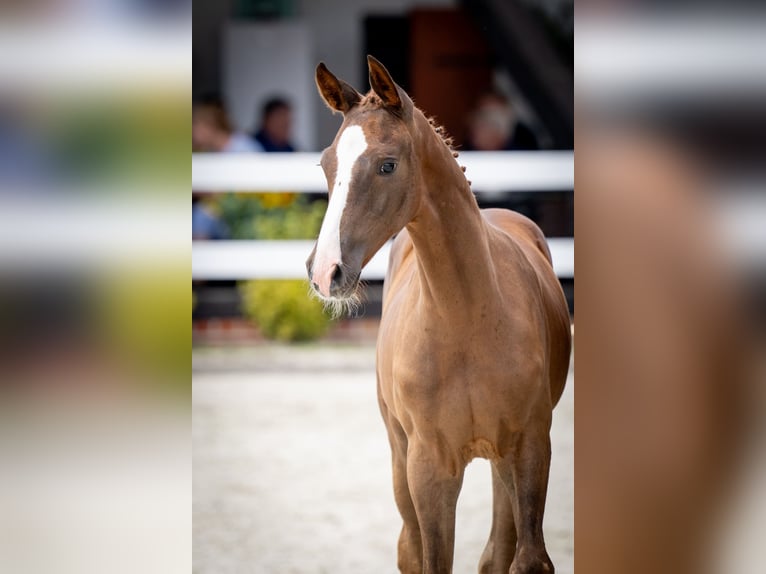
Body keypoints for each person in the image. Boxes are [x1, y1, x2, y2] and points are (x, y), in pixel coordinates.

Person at [465, 91, 539, 151]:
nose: (474, 122)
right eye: (479, 115)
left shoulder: (523, 152)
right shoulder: (465, 153)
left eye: (485, 118)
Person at [192, 93, 263, 153]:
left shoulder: (244, 148)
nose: (192, 130)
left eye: (194, 124)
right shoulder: (209, 151)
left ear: (210, 124)